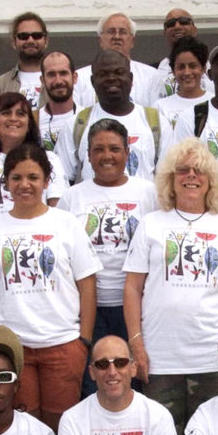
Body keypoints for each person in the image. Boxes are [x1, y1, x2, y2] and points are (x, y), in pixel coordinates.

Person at [123, 138, 218, 435]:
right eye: (182, 170)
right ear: (170, 180)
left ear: (211, 182)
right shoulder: (151, 224)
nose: (191, 176)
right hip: (159, 359)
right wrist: (136, 345)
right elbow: (132, 288)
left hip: (211, 357)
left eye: (199, 171)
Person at [0, 143, 102, 432]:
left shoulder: (65, 223)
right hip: (13, 348)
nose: (24, 185)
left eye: (33, 177)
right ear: (6, 182)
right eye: (16, 178)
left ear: (46, 181)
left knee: (61, 427)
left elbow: (87, 283)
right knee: (23, 427)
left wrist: (84, 340)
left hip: (63, 344)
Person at [57, 119, 157, 396]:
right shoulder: (72, 197)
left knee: (137, 379)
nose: (106, 156)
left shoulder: (149, 193)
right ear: (88, 155)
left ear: (128, 152)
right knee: (97, 383)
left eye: (114, 148)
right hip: (90, 308)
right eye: (98, 149)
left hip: (138, 307)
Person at [56, 50, 161, 184]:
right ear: (93, 82)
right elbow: (62, 180)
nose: (111, 78)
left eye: (119, 72)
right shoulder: (76, 125)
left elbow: (169, 177)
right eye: (103, 74)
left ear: (131, 79)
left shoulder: (156, 122)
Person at [0, 92, 69, 220]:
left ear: (29, 124)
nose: (13, 118)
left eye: (20, 114)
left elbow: (58, 210)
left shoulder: (49, 159)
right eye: (6, 113)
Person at [73, 12, 160, 108]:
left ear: (132, 41)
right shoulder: (80, 78)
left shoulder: (151, 75)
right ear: (100, 40)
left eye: (122, 32)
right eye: (111, 31)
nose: (117, 37)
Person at [0, 12, 48, 113]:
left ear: (46, 41)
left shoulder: (60, 83)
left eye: (37, 35)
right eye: (23, 36)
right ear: (13, 42)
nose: (30, 40)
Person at [153, 37, 213, 130]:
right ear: (173, 71)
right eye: (181, 67)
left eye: (193, 66)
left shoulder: (214, 103)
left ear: (203, 68)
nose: (187, 72)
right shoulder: (160, 107)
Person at [154, 9, 214, 100]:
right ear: (164, 33)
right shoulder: (154, 72)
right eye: (171, 24)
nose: (177, 26)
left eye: (183, 22)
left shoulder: (215, 68)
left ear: (194, 30)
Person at [38, 51, 82, 151]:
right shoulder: (32, 121)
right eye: (51, 75)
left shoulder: (88, 118)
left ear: (74, 78)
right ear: (42, 81)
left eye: (63, 73)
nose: (58, 81)